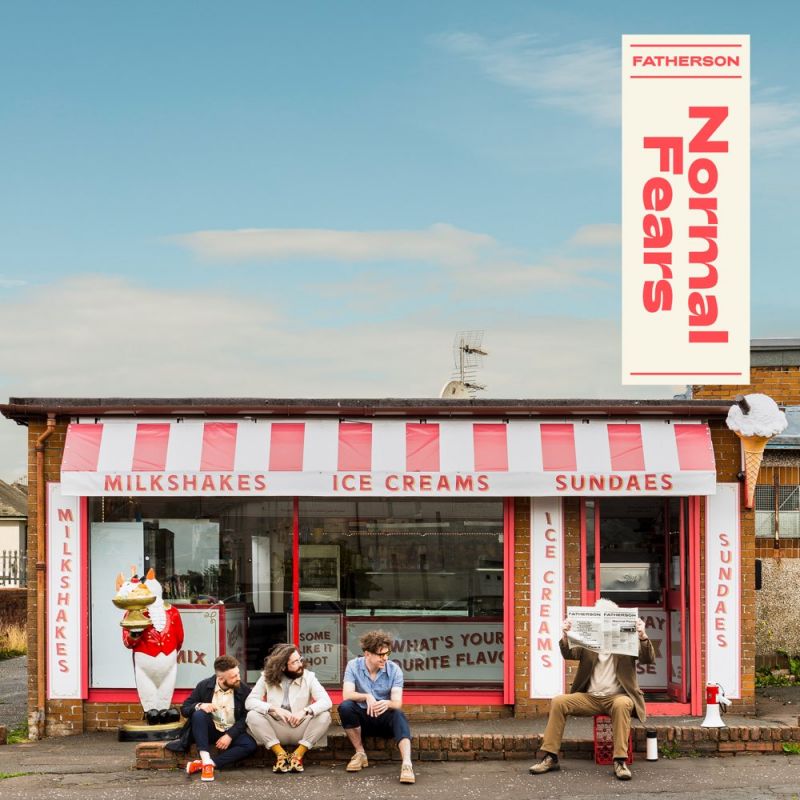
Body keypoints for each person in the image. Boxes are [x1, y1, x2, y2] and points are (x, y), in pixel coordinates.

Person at [529, 598, 655, 781]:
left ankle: (620, 761)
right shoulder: (589, 641)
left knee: (622, 704)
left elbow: (648, 658)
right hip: (590, 698)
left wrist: (642, 635)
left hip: (617, 697)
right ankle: (550, 757)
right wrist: (566, 635)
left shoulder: (627, 640)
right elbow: (570, 654)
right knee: (559, 701)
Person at [339, 629, 415, 784]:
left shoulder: (394, 670)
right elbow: (347, 694)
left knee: (398, 713)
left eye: (387, 653)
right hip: (362, 721)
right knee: (345, 707)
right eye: (381, 655)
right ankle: (360, 753)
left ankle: (407, 764)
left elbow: (397, 702)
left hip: (384, 720)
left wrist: (387, 703)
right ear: (367, 654)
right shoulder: (353, 666)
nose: (385, 658)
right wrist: (366, 696)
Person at [165, 654, 258, 782]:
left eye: (238, 673)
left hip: (231, 730)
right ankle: (205, 758)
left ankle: (208, 764)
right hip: (209, 731)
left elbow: (245, 717)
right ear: (220, 679)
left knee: (250, 745)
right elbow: (185, 709)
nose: (238, 678)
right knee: (199, 714)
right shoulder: (204, 686)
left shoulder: (243, 690)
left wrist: (230, 735)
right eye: (234, 676)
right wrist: (200, 705)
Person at [245, 643, 332, 773]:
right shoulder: (266, 677)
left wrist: (305, 711)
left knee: (325, 715)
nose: (300, 664)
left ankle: (298, 755)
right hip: (276, 728)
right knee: (252, 715)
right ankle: (280, 754)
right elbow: (250, 701)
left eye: (300, 659)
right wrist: (273, 708)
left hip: (301, 728)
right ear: (282, 667)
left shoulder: (309, 677)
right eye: (295, 662)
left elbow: (326, 701)